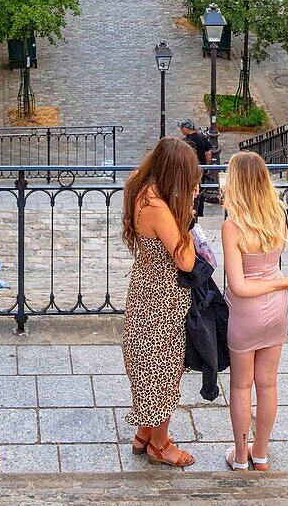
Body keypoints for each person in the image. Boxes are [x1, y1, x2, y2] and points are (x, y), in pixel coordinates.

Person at [122, 136, 201, 468]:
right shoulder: (158, 207)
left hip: (144, 289)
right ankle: (160, 445)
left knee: (148, 366)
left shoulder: (141, 189)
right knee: (164, 370)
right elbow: (186, 260)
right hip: (162, 301)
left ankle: (143, 433)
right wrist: (187, 221)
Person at [221, 151, 288, 473]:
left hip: (245, 313)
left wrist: (274, 284)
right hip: (277, 310)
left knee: (242, 386)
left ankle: (241, 457)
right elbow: (275, 271)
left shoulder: (233, 226)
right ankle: (262, 454)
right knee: (268, 384)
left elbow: (238, 287)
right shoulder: (277, 214)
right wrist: (279, 284)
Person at [179, 119, 212, 217]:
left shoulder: (184, 142)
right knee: (200, 191)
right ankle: (199, 212)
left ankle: (188, 212)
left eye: (182, 128)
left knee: (188, 191)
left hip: (188, 170)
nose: (181, 130)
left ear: (186, 129)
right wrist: (207, 166)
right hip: (200, 169)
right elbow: (208, 153)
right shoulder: (202, 138)